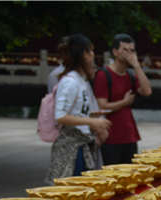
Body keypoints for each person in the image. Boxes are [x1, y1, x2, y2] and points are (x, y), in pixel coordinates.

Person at [46, 34, 111, 181]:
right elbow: (60, 116)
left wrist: (95, 121)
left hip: (82, 144)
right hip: (71, 149)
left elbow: (78, 111)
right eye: (91, 51)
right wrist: (92, 122)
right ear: (84, 54)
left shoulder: (81, 81)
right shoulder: (70, 82)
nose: (93, 55)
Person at [93, 33, 153, 165]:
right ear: (115, 52)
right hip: (110, 137)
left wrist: (137, 66)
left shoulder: (131, 75)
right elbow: (102, 105)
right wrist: (124, 103)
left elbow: (147, 91)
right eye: (125, 50)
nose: (129, 54)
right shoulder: (104, 74)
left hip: (129, 134)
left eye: (132, 50)